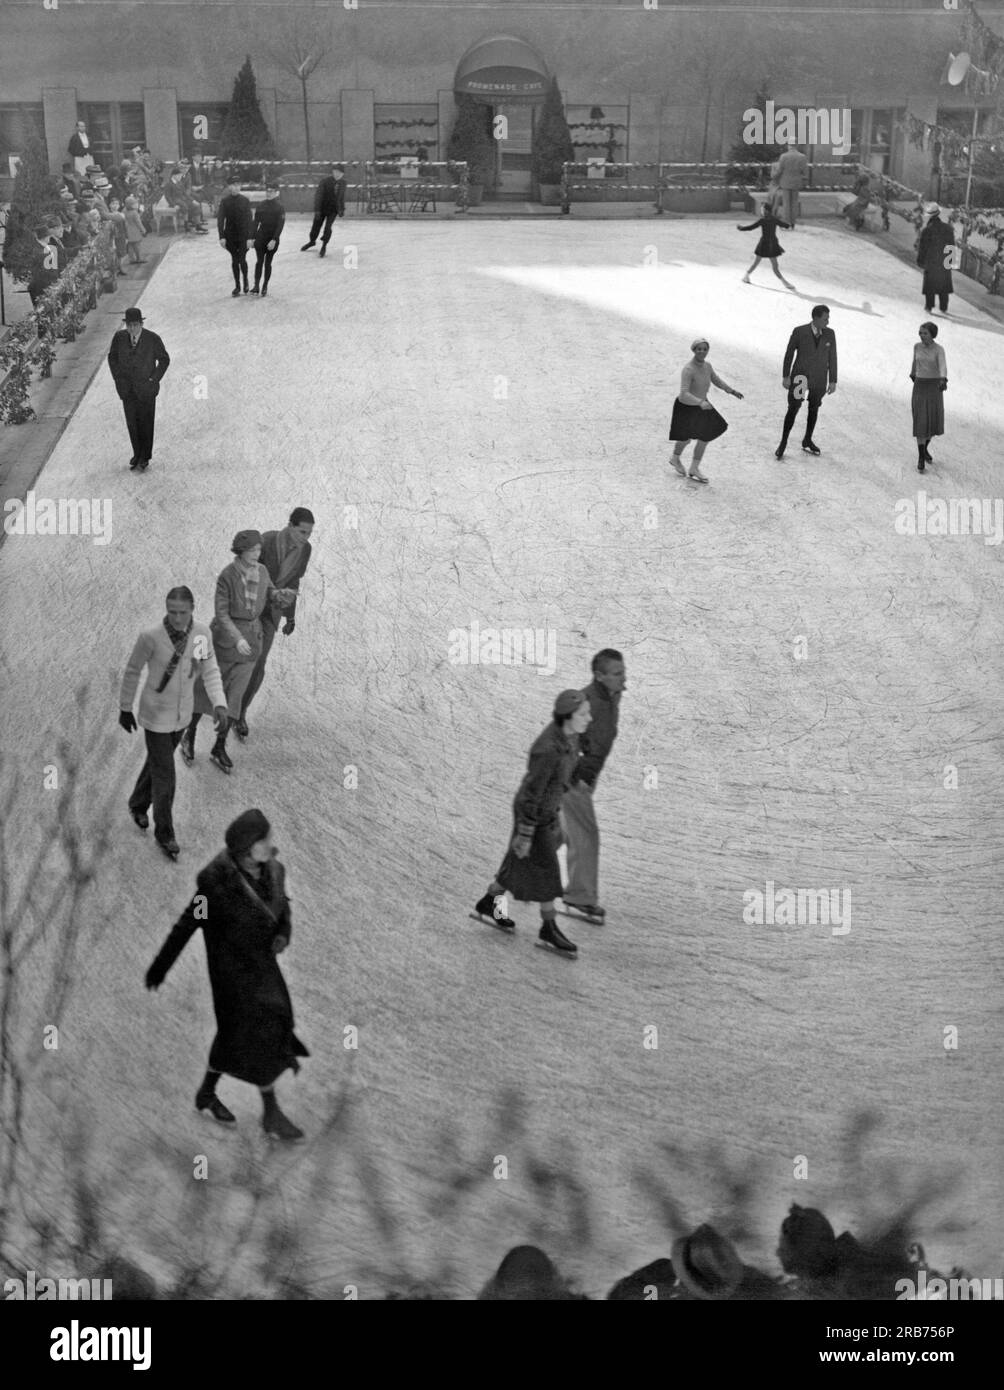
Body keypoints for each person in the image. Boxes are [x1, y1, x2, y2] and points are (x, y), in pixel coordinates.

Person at [145, 807, 310, 1141]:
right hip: (232, 974)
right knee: (252, 1032)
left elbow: (283, 909)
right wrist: (161, 966)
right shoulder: (215, 887)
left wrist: (283, 933)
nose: (270, 843)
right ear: (246, 849)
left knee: (252, 1030)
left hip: (262, 967)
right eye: (263, 839)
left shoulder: (274, 871)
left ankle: (207, 1093)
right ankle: (270, 1113)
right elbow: (188, 923)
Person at [473, 689, 592, 956]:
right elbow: (532, 792)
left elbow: (565, 772)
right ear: (567, 716)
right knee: (548, 870)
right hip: (533, 814)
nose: (589, 718)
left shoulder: (571, 737)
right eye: (584, 714)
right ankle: (548, 928)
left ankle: (489, 901)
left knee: (518, 860)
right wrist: (525, 833)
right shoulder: (547, 748)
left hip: (546, 811)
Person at [119, 586, 229, 858]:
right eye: (172, 612)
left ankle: (137, 803)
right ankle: (165, 833)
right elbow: (133, 671)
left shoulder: (201, 635)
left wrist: (219, 703)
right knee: (165, 775)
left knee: (158, 764)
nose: (177, 618)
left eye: (182, 612)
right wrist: (125, 707)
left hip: (182, 717)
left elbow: (209, 669)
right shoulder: (151, 637)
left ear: (192, 609)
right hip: (156, 716)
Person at [181, 531, 295, 772]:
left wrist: (280, 597)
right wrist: (237, 638)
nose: (257, 554)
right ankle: (188, 735)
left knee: (235, 697)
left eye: (259, 550)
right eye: (252, 550)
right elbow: (221, 614)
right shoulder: (227, 576)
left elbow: (269, 594)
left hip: (251, 645)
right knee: (206, 692)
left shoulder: (262, 571)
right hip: (225, 644)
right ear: (240, 551)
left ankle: (219, 746)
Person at [560, 649, 626, 923]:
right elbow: (566, 734)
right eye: (617, 674)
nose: (623, 678)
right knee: (585, 835)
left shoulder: (611, 696)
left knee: (550, 835)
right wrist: (577, 773)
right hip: (573, 779)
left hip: (583, 777)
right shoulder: (587, 701)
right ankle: (579, 898)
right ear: (599, 676)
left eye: (623, 672)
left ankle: (504, 886)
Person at [237, 508, 315, 739]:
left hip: (272, 613)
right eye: (302, 532)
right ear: (290, 526)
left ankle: (240, 713)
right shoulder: (267, 540)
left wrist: (290, 616)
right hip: (250, 609)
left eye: (309, 533)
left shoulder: (305, 550)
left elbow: (294, 582)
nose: (305, 537)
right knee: (236, 659)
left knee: (258, 665)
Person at [668, 337, 744, 484]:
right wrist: (700, 402)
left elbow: (716, 380)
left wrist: (731, 391)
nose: (702, 352)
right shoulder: (688, 369)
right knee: (686, 439)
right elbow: (684, 394)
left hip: (702, 406)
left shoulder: (707, 366)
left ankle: (694, 468)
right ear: (694, 350)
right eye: (699, 349)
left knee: (706, 436)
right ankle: (675, 458)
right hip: (686, 408)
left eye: (705, 349)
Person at [106, 307, 170, 470]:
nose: (132, 329)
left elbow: (164, 360)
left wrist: (153, 379)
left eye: (135, 325)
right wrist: (118, 378)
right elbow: (112, 358)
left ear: (141, 324)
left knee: (146, 423)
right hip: (127, 390)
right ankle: (137, 454)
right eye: (129, 325)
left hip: (146, 390)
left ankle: (145, 457)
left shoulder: (152, 339)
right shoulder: (119, 338)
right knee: (132, 424)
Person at [775, 305, 837, 460]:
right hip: (800, 378)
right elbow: (789, 354)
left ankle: (807, 439)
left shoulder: (830, 334)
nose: (827, 322)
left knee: (814, 408)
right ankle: (783, 441)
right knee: (794, 407)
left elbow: (833, 357)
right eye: (825, 319)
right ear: (815, 318)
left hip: (819, 379)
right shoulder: (800, 331)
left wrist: (833, 380)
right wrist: (786, 376)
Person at [910, 321, 947, 473]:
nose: (921, 335)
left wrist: (943, 379)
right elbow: (915, 361)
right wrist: (913, 373)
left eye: (925, 333)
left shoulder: (939, 349)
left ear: (932, 334)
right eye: (920, 333)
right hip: (920, 385)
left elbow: (942, 365)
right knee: (920, 421)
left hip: (934, 387)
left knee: (931, 421)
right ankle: (920, 457)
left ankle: (924, 448)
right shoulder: (917, 346)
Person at [738, 202, 794, 288]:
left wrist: (741, 228)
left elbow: (751, 227)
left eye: (762, 209)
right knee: (773, 266)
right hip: (770, 244)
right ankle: (785, 283)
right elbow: (784, 225)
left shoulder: (764, 220)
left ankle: (746, 276)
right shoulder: (771, 219)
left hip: (767, 244)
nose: (761, 211)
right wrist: (790, 225)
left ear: (766, 210)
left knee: (762, 264)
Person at [217, 176, 254, 296]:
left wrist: (250, 237)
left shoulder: (245, 200)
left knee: (242, 259)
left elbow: (250, 220)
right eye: (233, 185)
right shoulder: (225, 201)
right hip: (230, 236)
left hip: (243, 236)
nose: (236, 187)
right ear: (229, 187)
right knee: (234, 260)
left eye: (238, 185)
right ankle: (237, 286)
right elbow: (220, 220)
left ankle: (246, 281)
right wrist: (222, 237)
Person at [916, 203, 955, 315]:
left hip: (931, 261)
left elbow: (922, 248)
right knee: (944, 284)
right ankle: (944, 307)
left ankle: (929, 306)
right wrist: (951, 262)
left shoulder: (926, 230)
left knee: (930, 284)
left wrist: (920, 261)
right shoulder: (948, 228)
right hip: (944, 261)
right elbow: (951, 246)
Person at [301, 165, 346, 257]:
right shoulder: (325, 181)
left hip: (333, 210)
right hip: (322, 208)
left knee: (328, 228)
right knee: (316, 226)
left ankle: (324, 246)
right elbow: (318, 196)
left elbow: (341, 197)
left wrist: (342, 209)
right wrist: (317, 210)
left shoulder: (343, 183)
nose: (337, 174)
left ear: (342, 174)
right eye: (335, 172)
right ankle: (312, 241)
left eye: (340, 173)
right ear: (332, 172)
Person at [250, 181, 285, 296]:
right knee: (259, 261)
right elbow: (256, 222)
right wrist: (252, 237)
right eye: (267, 191)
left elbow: (280, 225)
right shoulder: (261, 205)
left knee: (268, 263)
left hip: (272, 238)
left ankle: (265, 285)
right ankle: (256, 285)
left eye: (271, 191)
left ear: (276, 193)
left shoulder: (280, 207)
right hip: (261, 237)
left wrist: (274, 240)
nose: (269, 193)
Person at [775, 141, 809, 228]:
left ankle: (786, 222)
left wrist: (775, 177)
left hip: (785, 182)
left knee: (786, 203)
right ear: (796, 145)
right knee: (794, 203)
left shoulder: (783, 156)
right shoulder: (802, 157)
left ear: (788, 145)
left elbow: (780, 170)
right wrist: (804, 180)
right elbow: (805, 171)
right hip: (797, 182)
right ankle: (793, 222)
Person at [27, 226, 60, 309]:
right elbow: (46, 272)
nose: (50, 237)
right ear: (45, 237)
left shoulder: (44, 246)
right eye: (48, 236)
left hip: (44, 285)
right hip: (41, 288)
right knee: (44, 310)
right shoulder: (40, 251)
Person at [122, 196, 146, 263]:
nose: (137, 205)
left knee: (130, 245)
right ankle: (139, 258)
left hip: (127, 230)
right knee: (137, 246)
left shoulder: (124, 210)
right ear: (131, 205)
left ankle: (131, 259)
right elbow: (138, 222)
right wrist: (143, 230)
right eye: (135, 204)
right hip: (135, 231)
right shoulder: (134, 212)